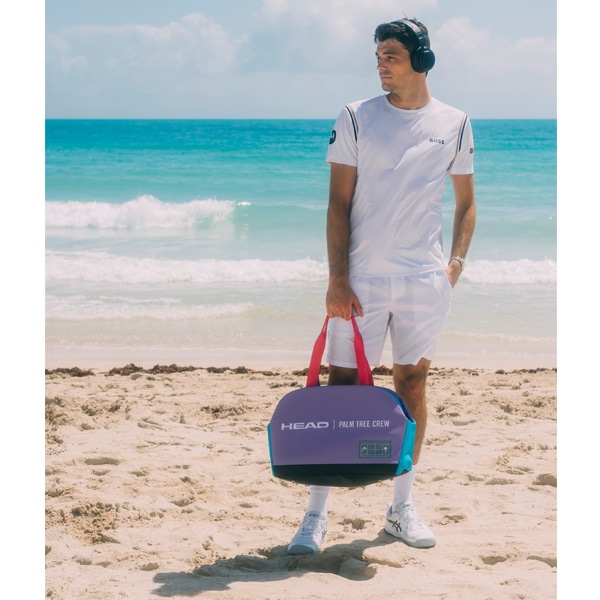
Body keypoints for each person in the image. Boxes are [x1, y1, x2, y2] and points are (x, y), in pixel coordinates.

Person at [287, 17, 476, 554]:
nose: (381, 65)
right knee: (343, 388)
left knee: (412, 385)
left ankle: (401, 508)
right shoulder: (355, 116)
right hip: (362, 282)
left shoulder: (456, 122)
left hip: (423, 281)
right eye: (377, 56)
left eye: (391, 55)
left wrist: (454, 264)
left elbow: (466, 203)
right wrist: (337, 278)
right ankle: (315, 516)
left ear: (422, 59)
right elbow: (338, 203)